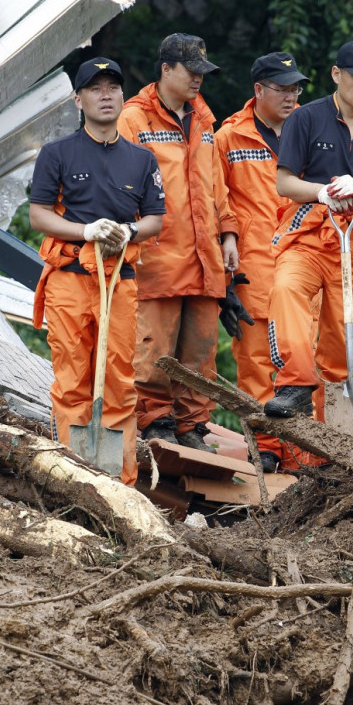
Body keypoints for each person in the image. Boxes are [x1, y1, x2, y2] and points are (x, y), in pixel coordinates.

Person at [28, 57, 165, 486]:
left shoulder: (142, 160)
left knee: (121, 379)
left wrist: (127, 230)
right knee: (72, 379)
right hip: (70, 278)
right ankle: (70, 476)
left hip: (120, 280)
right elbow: (38, 215)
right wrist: (85, 230)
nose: (105, 95)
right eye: (95, 88)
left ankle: (119, 482)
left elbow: (156, 220)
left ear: (123, 97)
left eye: (112, 88)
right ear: (79, 99)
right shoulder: (57, 154)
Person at [264, 39, 353, 426]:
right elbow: (285, 182)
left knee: (343, 343)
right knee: (286, 289)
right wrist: (322, 192)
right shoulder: (305, 118)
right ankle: (294, 384)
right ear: (336, 74)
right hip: (309, 233)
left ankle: (338, 446)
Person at [117, 33, 239, 453]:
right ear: (165, 68)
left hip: (205, 257)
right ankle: (154, 421)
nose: (198, 80)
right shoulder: (133, 119)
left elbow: (216, 187)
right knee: (153, 347)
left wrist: (228, 234)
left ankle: (192, 424)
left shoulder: (205, 119)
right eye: (191, 71)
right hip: (157, 257)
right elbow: (120, 189)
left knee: (202, 349)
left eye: (203, 73)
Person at [216, 51, 316, 473]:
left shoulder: (312, 132)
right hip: (252, 266)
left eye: (296, 88)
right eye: (283, 88)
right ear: (258, 90)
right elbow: (215, 202)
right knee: (257, 361)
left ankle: (306, 455)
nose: (292, 96)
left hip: (304, 264)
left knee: (305, 359)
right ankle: (269, 451)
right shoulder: (228, 138)